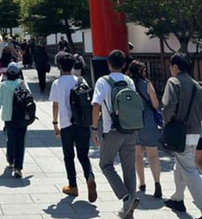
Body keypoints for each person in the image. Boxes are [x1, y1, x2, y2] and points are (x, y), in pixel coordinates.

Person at [161, 53, 202, 219]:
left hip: (179, 133)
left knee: (189, 169)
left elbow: (168, 107)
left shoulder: (173, 82)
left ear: (176, 67)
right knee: (181, 165)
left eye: (171, 66)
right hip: (195, 132)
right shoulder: (196, 85)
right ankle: (177, 198)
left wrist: (167, 121)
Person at [91, 50, 139, 219]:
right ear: (124, 64)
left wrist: (94, 128)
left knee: (105, 164)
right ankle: (129, 209)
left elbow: (96, 105)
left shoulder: (103, 81)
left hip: (111, 130)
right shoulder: (129, 81)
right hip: (130, 130)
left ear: (108, 63)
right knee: (129, 168)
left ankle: (126, 197)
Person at [50, 54, 97, 202]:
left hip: (66, 125)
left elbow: (55, 104)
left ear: (59, 66)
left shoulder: (57, 84)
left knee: (68, 156)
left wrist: (55, 123)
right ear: (72, 66)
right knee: (83, 155)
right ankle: (89, 175)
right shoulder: (81, 81)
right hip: (82, 124)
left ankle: (73, 186)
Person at [128, 60, 162, 199]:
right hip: (148, 119)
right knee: (153, 155)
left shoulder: (128, 84)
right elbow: (155, 103)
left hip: (134, 121)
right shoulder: (147, 84)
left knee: (138, 155)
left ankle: (141, 183)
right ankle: (157, 183)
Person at [0, 63, 31, 178]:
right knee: (21, 141)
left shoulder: (3, 85)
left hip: (8, 117)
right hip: (21, 117)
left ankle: (10, 159)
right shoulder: (23, 84)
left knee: (11, 138)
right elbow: (29, 98)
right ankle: (18, 167)